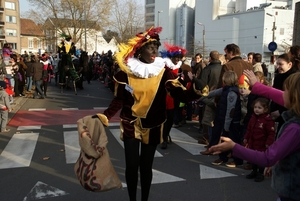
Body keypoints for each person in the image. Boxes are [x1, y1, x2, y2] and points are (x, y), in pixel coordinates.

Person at [94, 27, 205, 201]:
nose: (154, 50)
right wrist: (105, 116)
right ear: (140, 50)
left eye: (156, 46)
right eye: (150, 47)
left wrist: (195, 91)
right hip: (131, 123)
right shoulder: (126, 72)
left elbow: (179, 94)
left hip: (153, 123)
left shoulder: (163, 71)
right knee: (131, 166)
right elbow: (118, 100)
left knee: (146, 167)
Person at [210, 69, 300, 201]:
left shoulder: (295, 128)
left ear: (294, 97)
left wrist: (234, 147)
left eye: (286, 91)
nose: (282, 94)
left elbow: (267, 157)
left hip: (291, 193)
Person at [160, 42, 187, 149]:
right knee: (162, 118)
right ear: (171, 57)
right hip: (163, 95)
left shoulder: (178, 67)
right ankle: (164, 138)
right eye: (176, 57)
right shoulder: (164, 66)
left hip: (173, 96)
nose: (177, 59)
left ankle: (166, 134)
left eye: (179, 57)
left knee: (170, 118)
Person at [243, 97, 275, 182]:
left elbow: (271, 133)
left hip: (262, 144)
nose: (256, 109)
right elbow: (249, 129)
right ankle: (254, 171)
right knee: (253, 158)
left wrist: (268, 143)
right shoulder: (253, 118)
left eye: (259, 108)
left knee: (260, 160)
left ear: (265, 109)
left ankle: (260, 173)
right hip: (253, 142)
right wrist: (246, 137)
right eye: (255, 107)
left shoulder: (268, 120)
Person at [270, 53, 296, 136]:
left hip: (289, 114)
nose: (278, 67)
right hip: (276, 113)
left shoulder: (295, 77)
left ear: (289, 64)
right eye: (277, 64)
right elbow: (274, 93)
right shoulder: (278, 76)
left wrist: (280, 111)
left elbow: (293, 99)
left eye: (281, 64)